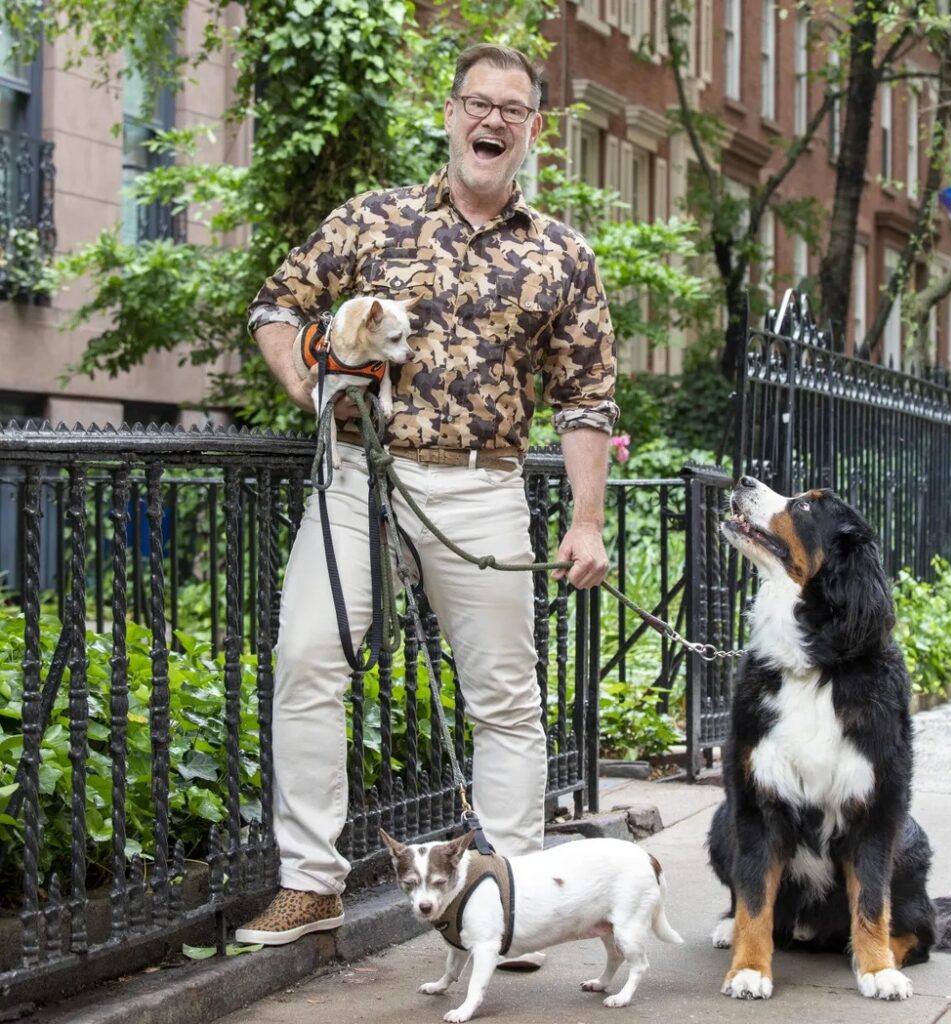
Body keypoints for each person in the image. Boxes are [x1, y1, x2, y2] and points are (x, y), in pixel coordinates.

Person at [236, 44, 618, 962]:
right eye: (476, 104)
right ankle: (309, 885)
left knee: (504, 701)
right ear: (449, 114)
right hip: (357, 479)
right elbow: (275, 306)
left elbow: (586, 398)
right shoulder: (374, 219)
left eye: (512, 110)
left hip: (483, 485)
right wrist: (308, 390)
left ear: (532, 131)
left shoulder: (561, 252)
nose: (491, 121)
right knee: (306, 658)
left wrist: (586, 518)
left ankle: (506, 900)